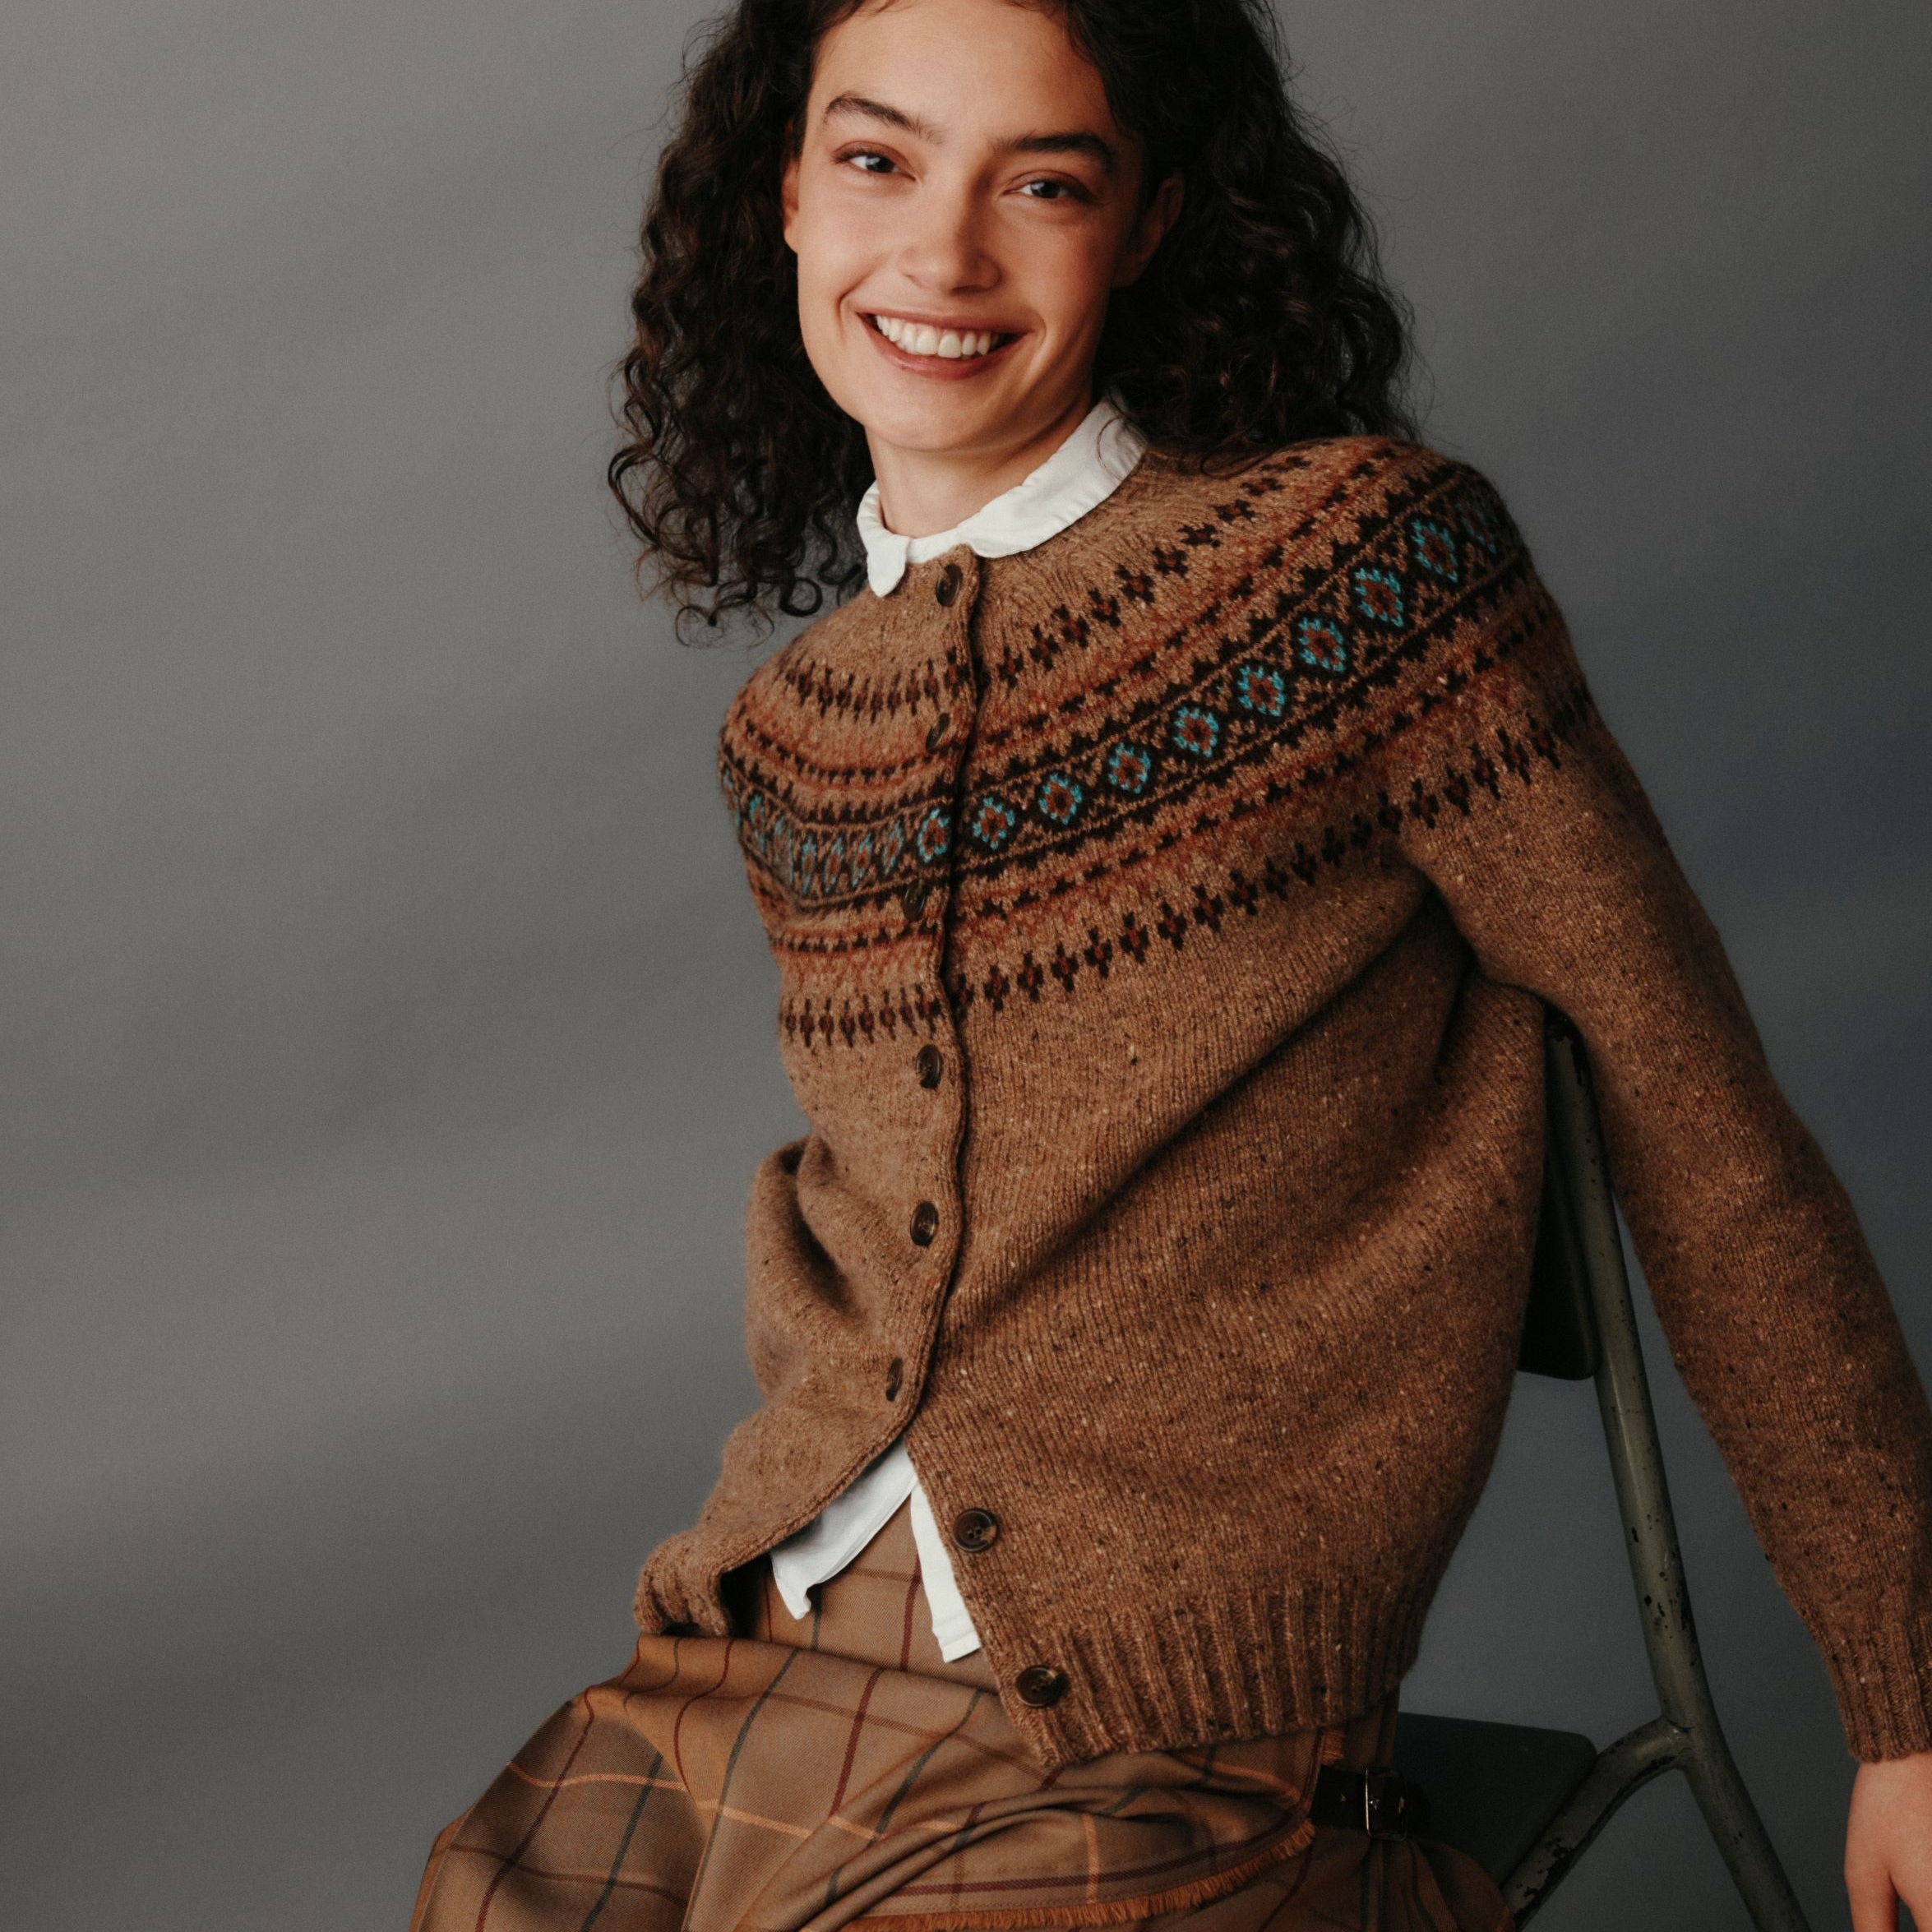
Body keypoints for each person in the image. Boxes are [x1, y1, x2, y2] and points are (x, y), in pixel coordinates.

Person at [411, 1, 1932, 1926]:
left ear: (1144, 221)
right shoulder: (793, 739)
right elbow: (892, 1210)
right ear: (783, 193)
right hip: (759, 1653)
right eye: (876, 160)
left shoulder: (1356, 575)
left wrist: (1906, 1696)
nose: (941, 254)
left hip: (1165, 1722)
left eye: (1040, 183)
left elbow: (1699, 1126)